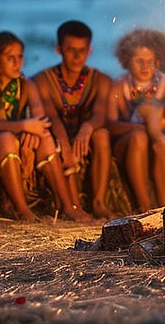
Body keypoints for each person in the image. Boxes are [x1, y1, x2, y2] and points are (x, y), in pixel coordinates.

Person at [0, 32, 91, 222]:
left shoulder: (26, 85)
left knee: (45, 137)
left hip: (10, 143)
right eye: (10, 58)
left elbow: (41, 121)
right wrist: (26, 125)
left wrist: (34, 130)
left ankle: (65, 205)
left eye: (20, 57)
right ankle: (22, 210)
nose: (17, 63)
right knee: (7, 138)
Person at [34, 21, 115, 217]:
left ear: (90, 50)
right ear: (59, 49)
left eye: (83, 50)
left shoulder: (101, 80)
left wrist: (87, 128)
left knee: (102, 134)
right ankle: (68, 206)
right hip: (57, 134)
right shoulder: (42, 80)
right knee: (49, 138)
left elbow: (100, 114)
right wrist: (65, 144)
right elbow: (51, 116)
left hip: (84, 137)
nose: (78, 56)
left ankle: (98, 202)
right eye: (71, 50)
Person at [109, 28, 165, 212]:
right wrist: (137, 127)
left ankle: (164, 209)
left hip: (159, 142)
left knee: (162, 143)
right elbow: (109, 124)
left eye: (150, 62)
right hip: (131, 143)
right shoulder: (119, 85)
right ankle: (144, 206)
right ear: (127, 62)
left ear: (157, 62)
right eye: (139, 61)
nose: (145, 67)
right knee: (139, 137)